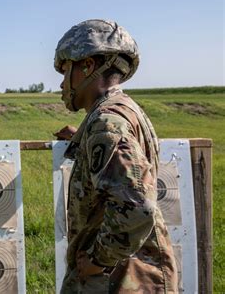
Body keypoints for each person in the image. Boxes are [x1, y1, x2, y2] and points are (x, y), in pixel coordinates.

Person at [53, 19, 178, 293]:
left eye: (65, 72)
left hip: (121, 278)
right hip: (136, 272)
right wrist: (84, 139)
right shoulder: (123, 111)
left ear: (87, 66)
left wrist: (99, 260)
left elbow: (137, 205)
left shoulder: (106, 123)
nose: (62, 84)